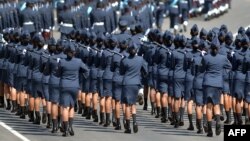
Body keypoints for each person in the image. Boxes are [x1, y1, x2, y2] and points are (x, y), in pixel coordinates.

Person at [57, 42, 89, 137]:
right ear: (74, 52)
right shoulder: (78, 61)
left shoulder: (62, 61)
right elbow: (86, 70)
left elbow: (58, 73)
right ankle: (70, 127)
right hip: (75, 86)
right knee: (71, 107)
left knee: (65, 107)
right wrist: (82, 78)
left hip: (64, 85)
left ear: (66, 52)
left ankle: (65, 129)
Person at [202, 37, 232, 137]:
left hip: (207, 83)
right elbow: (229, 67)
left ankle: (210, 130)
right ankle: (218, 121)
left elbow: (202, 68)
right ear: (218, 48)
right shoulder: (223, 58)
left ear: (210, 47)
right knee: (217, 104)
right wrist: (222, 74)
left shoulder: (206, 57)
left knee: (209, 106)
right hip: (218, 83)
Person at [120, 42, 148, 134]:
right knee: (133, 105)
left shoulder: (124, 60)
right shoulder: (140, 59)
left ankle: (128, 127)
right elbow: (146, 70)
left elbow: (121, 72)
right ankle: (135, 122)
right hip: (136, 83)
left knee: (127, 105)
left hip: (127, 83)